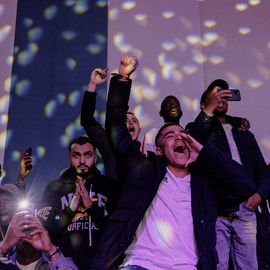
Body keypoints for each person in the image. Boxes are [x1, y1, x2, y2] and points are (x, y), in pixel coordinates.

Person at [89, 56, 257, 270]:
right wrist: (122, 78)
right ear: (158, 150)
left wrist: (204, 154)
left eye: (182, 134)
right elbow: (116, 131)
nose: (178, 137)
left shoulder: (203, 184)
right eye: (169, 136)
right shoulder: (145, 170)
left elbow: (245, 186)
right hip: (140, 265)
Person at [186, 79, 270, 270]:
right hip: (216, 211)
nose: (221, 97)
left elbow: (262, 170)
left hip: (246, 208)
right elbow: (192, 143)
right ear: (205, 103)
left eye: (224, 94)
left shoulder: (243, 132)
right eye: (216, 94)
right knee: (219, 265)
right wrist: (208, 110)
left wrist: (260, 194)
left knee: (249, 266)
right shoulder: (199, 128)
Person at [40, 136, 118, 269]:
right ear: (69, 158)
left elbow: (117, 229)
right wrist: (71, 209)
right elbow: (47, 229)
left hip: (104, 264)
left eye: (87, 155)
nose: (82, 161)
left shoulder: (109, 187)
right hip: (64, 263)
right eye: (76, 155)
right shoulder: (54, 188)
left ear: (95, 157)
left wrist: (92, 208)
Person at [0, 211, 78, 270]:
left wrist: (50, 249)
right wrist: (3, 246)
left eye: (33, 229)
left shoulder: (53, 264)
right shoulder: (4, 262)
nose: (27, 234)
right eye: (22, 229)